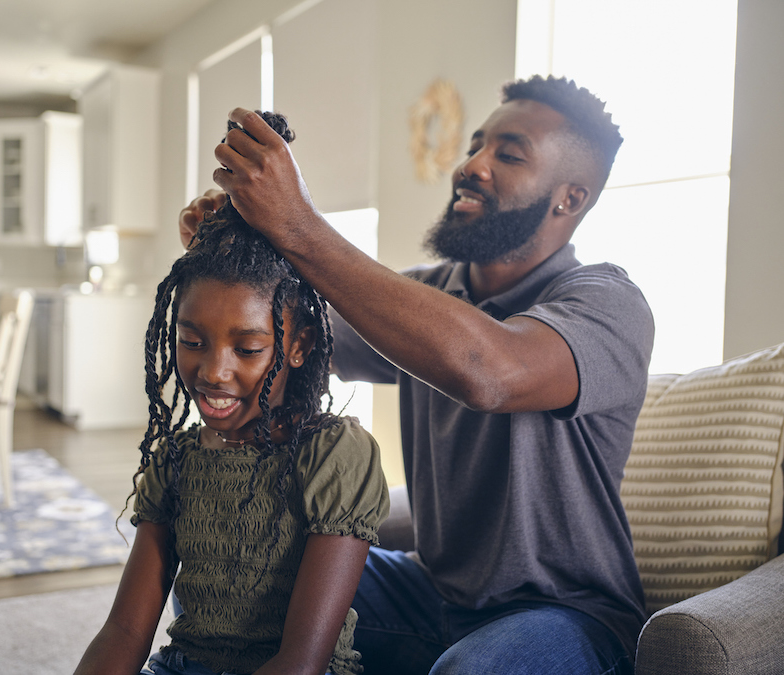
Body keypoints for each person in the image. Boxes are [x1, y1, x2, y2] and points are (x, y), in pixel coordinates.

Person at [178, 75, 654, 674]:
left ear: (570, 198)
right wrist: (241, 263)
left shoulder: (607, 303)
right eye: (476, 145)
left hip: (569, 617)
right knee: (234, 572)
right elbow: (291, 341)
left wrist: (299, 225)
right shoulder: (429, 293)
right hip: (429, 595)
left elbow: (491, 370)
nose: (472, 165)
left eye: (508, 155)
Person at [75, 113, 390, 675]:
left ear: (298, 345)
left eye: (247, 349)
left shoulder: (334, 457)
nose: (214, 373)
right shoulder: (176, 461)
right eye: (192, 341)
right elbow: (125, 631)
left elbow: (302, 661)